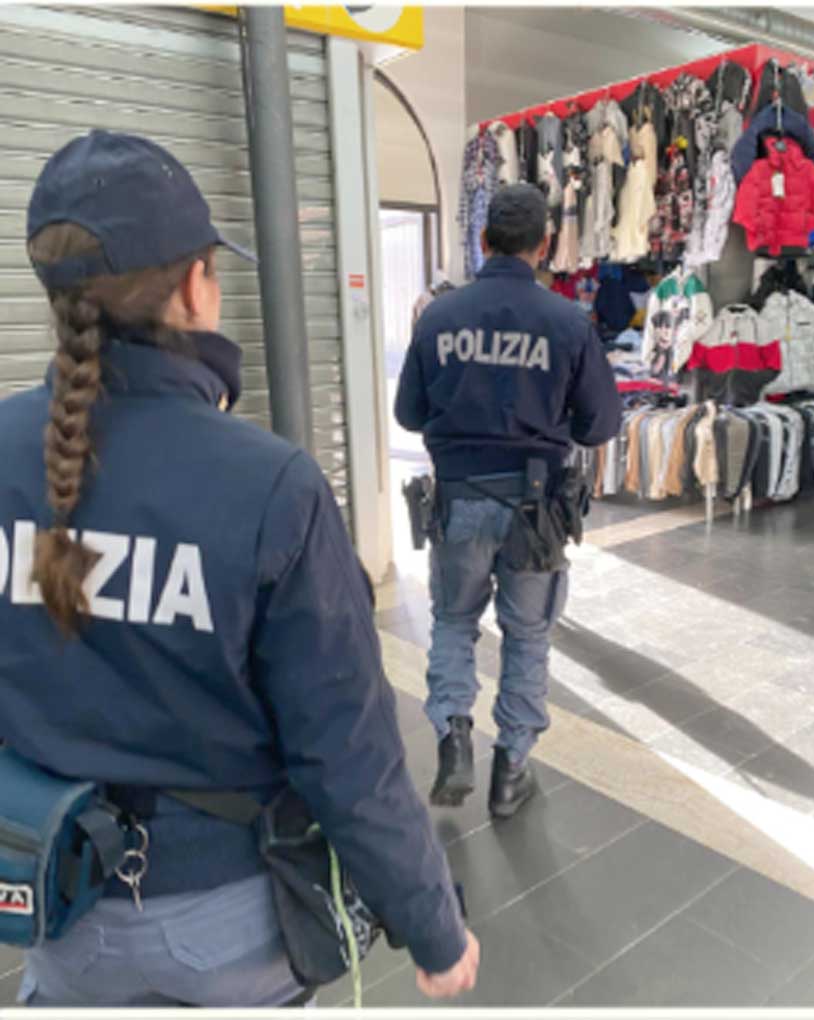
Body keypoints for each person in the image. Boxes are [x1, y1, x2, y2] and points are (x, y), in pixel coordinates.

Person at [0, 131, 478, 1005]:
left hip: (52, 900)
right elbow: (348, 753)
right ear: (194, 288)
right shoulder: (270, 484)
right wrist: (433, 924)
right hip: (225, 922)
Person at [395, 183, 621, 820]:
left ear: (484, 239)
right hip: (536, 508)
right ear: (545, 246)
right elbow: (599, 425)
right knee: (527, 636)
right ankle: (511, 770)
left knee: (453, 622)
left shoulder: (437, 318)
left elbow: (408, 412)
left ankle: (452, 737)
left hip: (459, 500)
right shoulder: (568, 323)